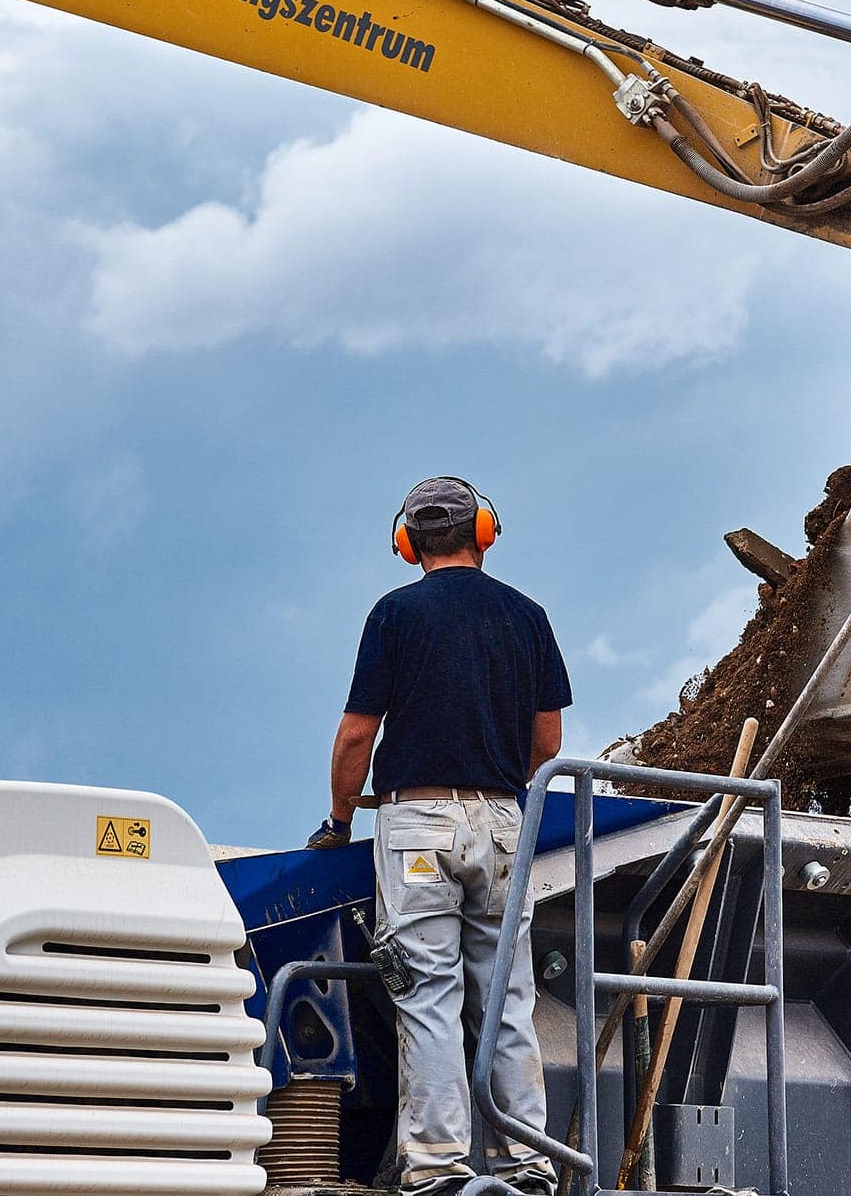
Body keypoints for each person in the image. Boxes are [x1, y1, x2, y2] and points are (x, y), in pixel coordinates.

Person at [307, 476, 570, 1196]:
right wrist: (492, 787)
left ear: (407, 544)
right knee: (508, 1003)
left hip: (416, 825)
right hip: (503, 823)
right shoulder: (528, 616)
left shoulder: (395, 615)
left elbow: (357, 734)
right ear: (484, 530)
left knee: (428, 997)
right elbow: (548, 739)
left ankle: (437, 1169)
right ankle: (529, 1165)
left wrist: (337, 819)